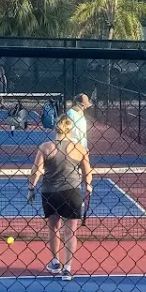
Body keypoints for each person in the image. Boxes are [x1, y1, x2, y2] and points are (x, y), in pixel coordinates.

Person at [27, 113, 93, 280]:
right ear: (71, 130)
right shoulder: (80, 148)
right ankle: (67, 268)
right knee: (71, 231)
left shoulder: (45, 147)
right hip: (72, 192)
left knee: (54, 228)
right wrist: (88, 186)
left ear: (56, 128)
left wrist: (31, 188)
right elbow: (88, 172)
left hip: (50, 193)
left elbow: (36, 171)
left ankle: (55, 262)